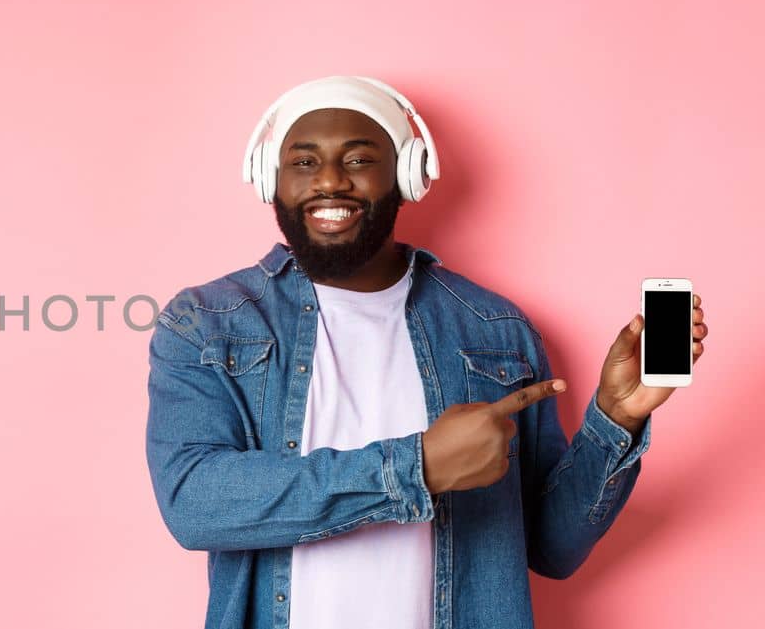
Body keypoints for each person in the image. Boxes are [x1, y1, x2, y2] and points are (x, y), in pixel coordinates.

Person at [143, 76, 709, 629]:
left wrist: (617, 417)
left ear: (408, 176)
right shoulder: (208, 322)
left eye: (360, 160)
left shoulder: (496, 331)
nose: (331, 181)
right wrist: (416, 468)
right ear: (272, 177)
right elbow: (194, 503)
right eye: (305, 161)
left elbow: (553, 549)